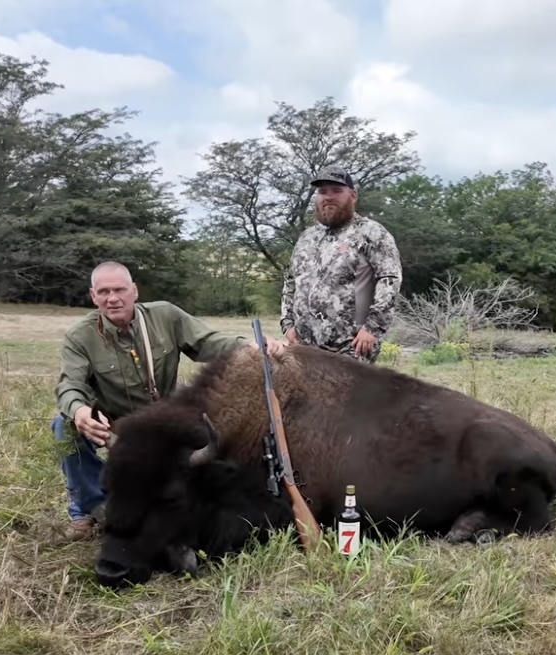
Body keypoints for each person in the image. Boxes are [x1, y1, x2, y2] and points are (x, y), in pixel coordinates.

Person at [52, 261, 286, 541]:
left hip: (161, 421)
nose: (112, 298)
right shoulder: (80, 337)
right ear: (93, 296)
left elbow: (210, 342)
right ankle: (87, 509)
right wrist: (79, 412)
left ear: (134, 291)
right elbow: (69, 384)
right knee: (63, 426)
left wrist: (250, 346)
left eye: (119, 290)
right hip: (113, 423)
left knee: (215, 434)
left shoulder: (166, 316)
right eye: (103, 292)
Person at [279, 164, 404, 364]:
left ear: (352, 195)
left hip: (350, 347)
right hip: (304, 348)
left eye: (336, 190)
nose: (328, 196)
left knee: (350, 396)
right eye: (322, 191)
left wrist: (373, 328)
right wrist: (288, 325)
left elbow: (389, 280)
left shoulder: (371, 233)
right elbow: (290, 282)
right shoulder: (306, 237)